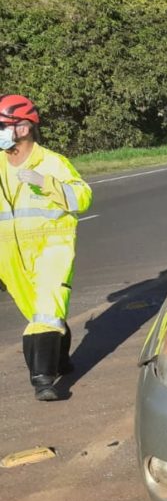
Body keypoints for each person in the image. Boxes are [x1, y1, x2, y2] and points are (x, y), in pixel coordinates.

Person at [0, 94, 92, 400]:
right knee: (38, 312)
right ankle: (60, 360)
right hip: (10, 256)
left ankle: (42, 379)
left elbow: (83, 197)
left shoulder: (52, 163)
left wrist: (47, 183)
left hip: (53, 246)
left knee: (46, 308)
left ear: (23, 129)